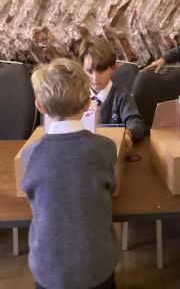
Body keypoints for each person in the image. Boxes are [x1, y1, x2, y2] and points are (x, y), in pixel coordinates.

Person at [21, 58, 121, 289]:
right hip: (96, 266)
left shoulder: (30, 153)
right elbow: (110, 188)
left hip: (48, 270)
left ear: (40, 107)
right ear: (87, 104)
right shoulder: (105, 148)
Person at [79, 38, 145, 148]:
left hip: (114, 150)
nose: (95, 78)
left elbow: (136, 123)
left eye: (101, 70)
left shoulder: (121, 95)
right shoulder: (77, 97)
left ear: (113, 68)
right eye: (89, 71)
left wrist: (128, 134)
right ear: (82, 69)